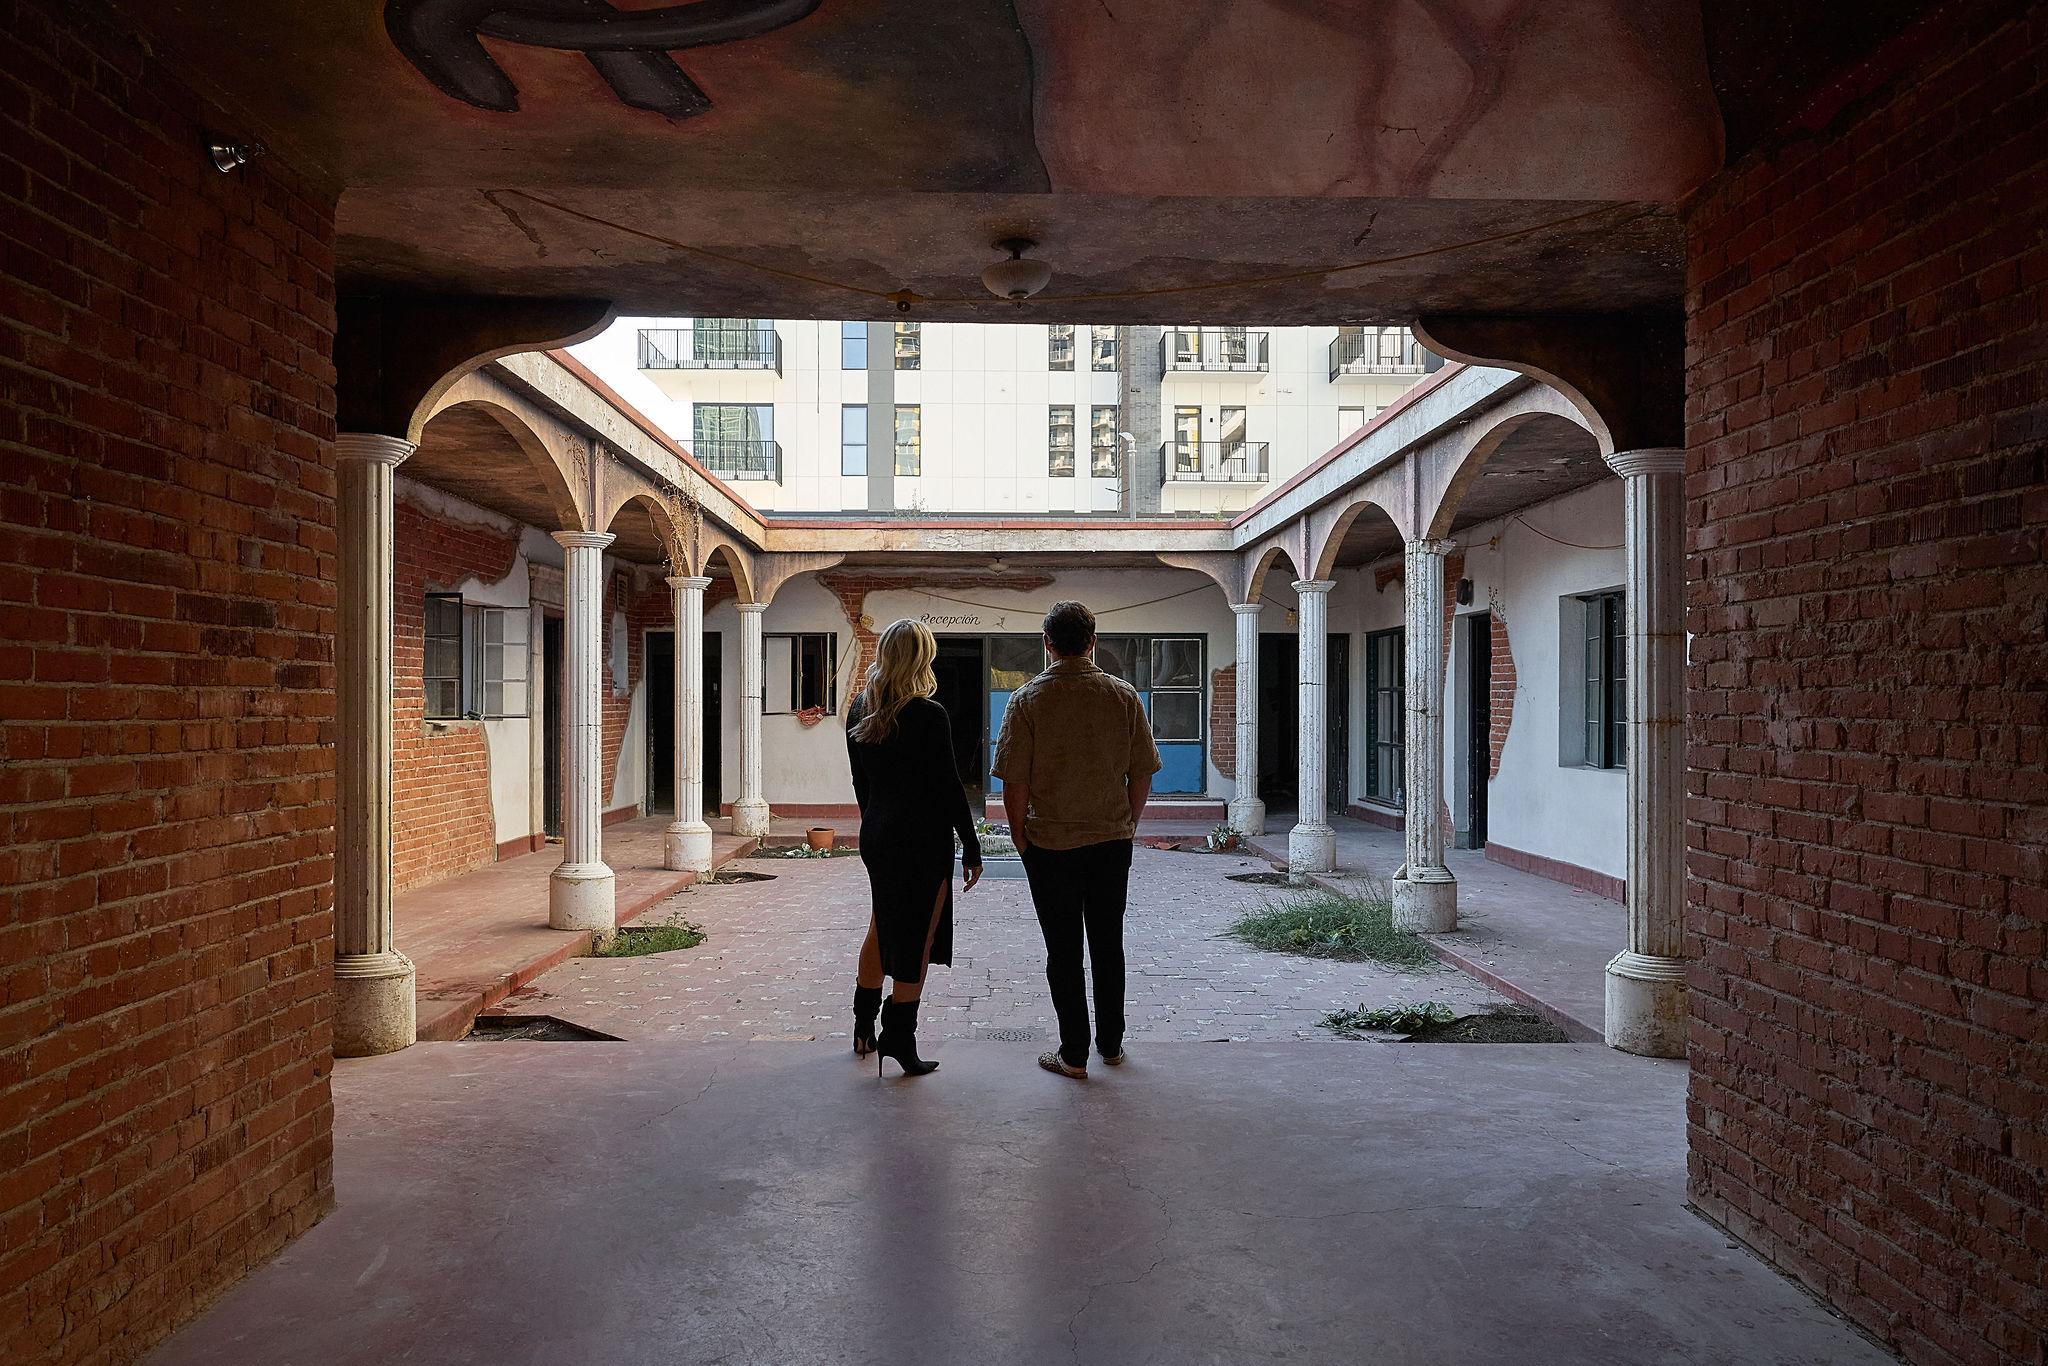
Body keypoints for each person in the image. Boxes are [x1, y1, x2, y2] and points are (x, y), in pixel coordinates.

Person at [991, 601, 1160, 1079]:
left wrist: (1022, 839)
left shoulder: (1027, 700)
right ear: (1092, 641)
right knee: (1108, 944)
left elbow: (1014, 783)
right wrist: (1128, 823)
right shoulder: (1123, 696)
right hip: (1110, 841)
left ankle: (1074, 1055)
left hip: (1050, 846)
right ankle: (1111, 1046)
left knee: (1063, 951)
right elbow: (1142, 772)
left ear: (1047, 644)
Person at [844, 619, 983, 1076]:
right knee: (918, 937)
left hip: (879, 836)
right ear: (924, 658)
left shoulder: (860, 709)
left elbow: (861, 784)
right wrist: (972, 844)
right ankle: (900, 1039)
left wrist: (877, 825)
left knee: (882, 928)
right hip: (923, 840)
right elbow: (948, 787)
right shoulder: (929, 714)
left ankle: (864, 1027)